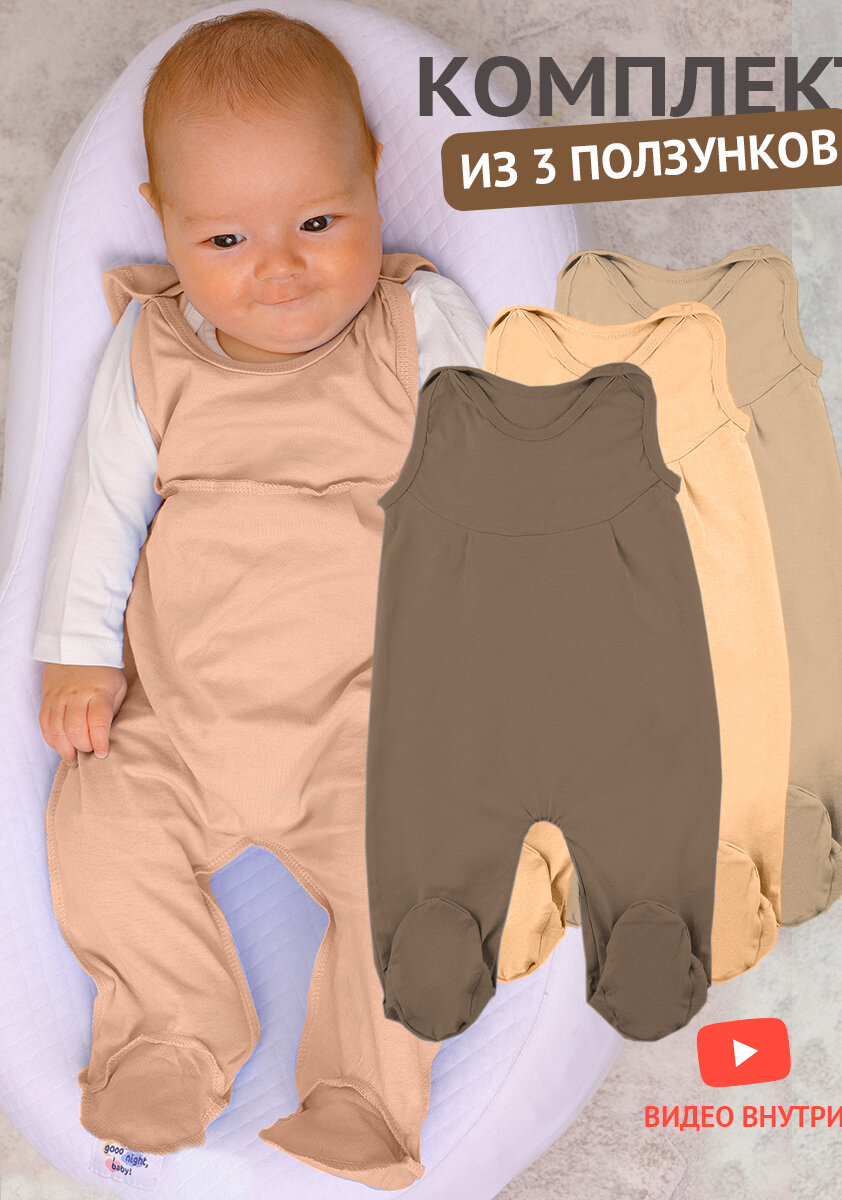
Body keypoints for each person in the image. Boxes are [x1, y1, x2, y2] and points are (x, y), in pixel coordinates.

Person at [33, 9, 486, 1190]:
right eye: (226, 238)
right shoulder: (154, 352)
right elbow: (99, 507)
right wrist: (79, 653)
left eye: (319, 223)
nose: (279, 270)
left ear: (374, 177)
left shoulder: (414, 325)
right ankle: (170, 1036)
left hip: (371, 728)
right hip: (183, 723)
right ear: (165, 222)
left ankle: (363, 1093)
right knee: (97, 825)